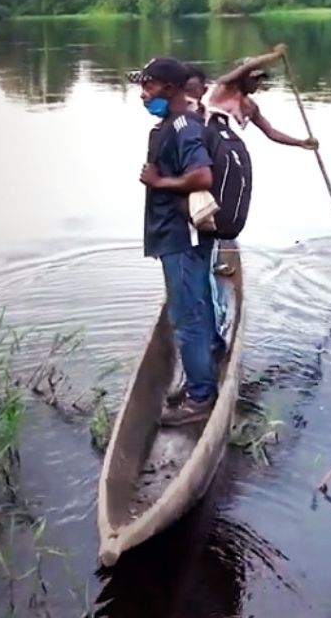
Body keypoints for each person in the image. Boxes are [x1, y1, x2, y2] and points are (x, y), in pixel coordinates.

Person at [128, 57, 219, 426]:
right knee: (196, 306)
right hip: (180, 234)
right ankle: (206, 366)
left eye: (147, 87)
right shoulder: (174, 124)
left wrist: (159, 182)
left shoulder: (183, 127)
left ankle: (200, 397)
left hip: (181, 237)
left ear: (168, 88)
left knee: (186, 317)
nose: (143, 95)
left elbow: (202, 176)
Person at [206, 44, 319, 151]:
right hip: (209, 140)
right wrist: (275, 55)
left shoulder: (251, 107)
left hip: (228, 146)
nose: (258, 83)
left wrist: (300, 143)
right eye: (254, 79)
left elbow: (271, 132)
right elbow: (247, 67)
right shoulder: (225, 87)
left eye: (260, 79)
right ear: (242, 77)